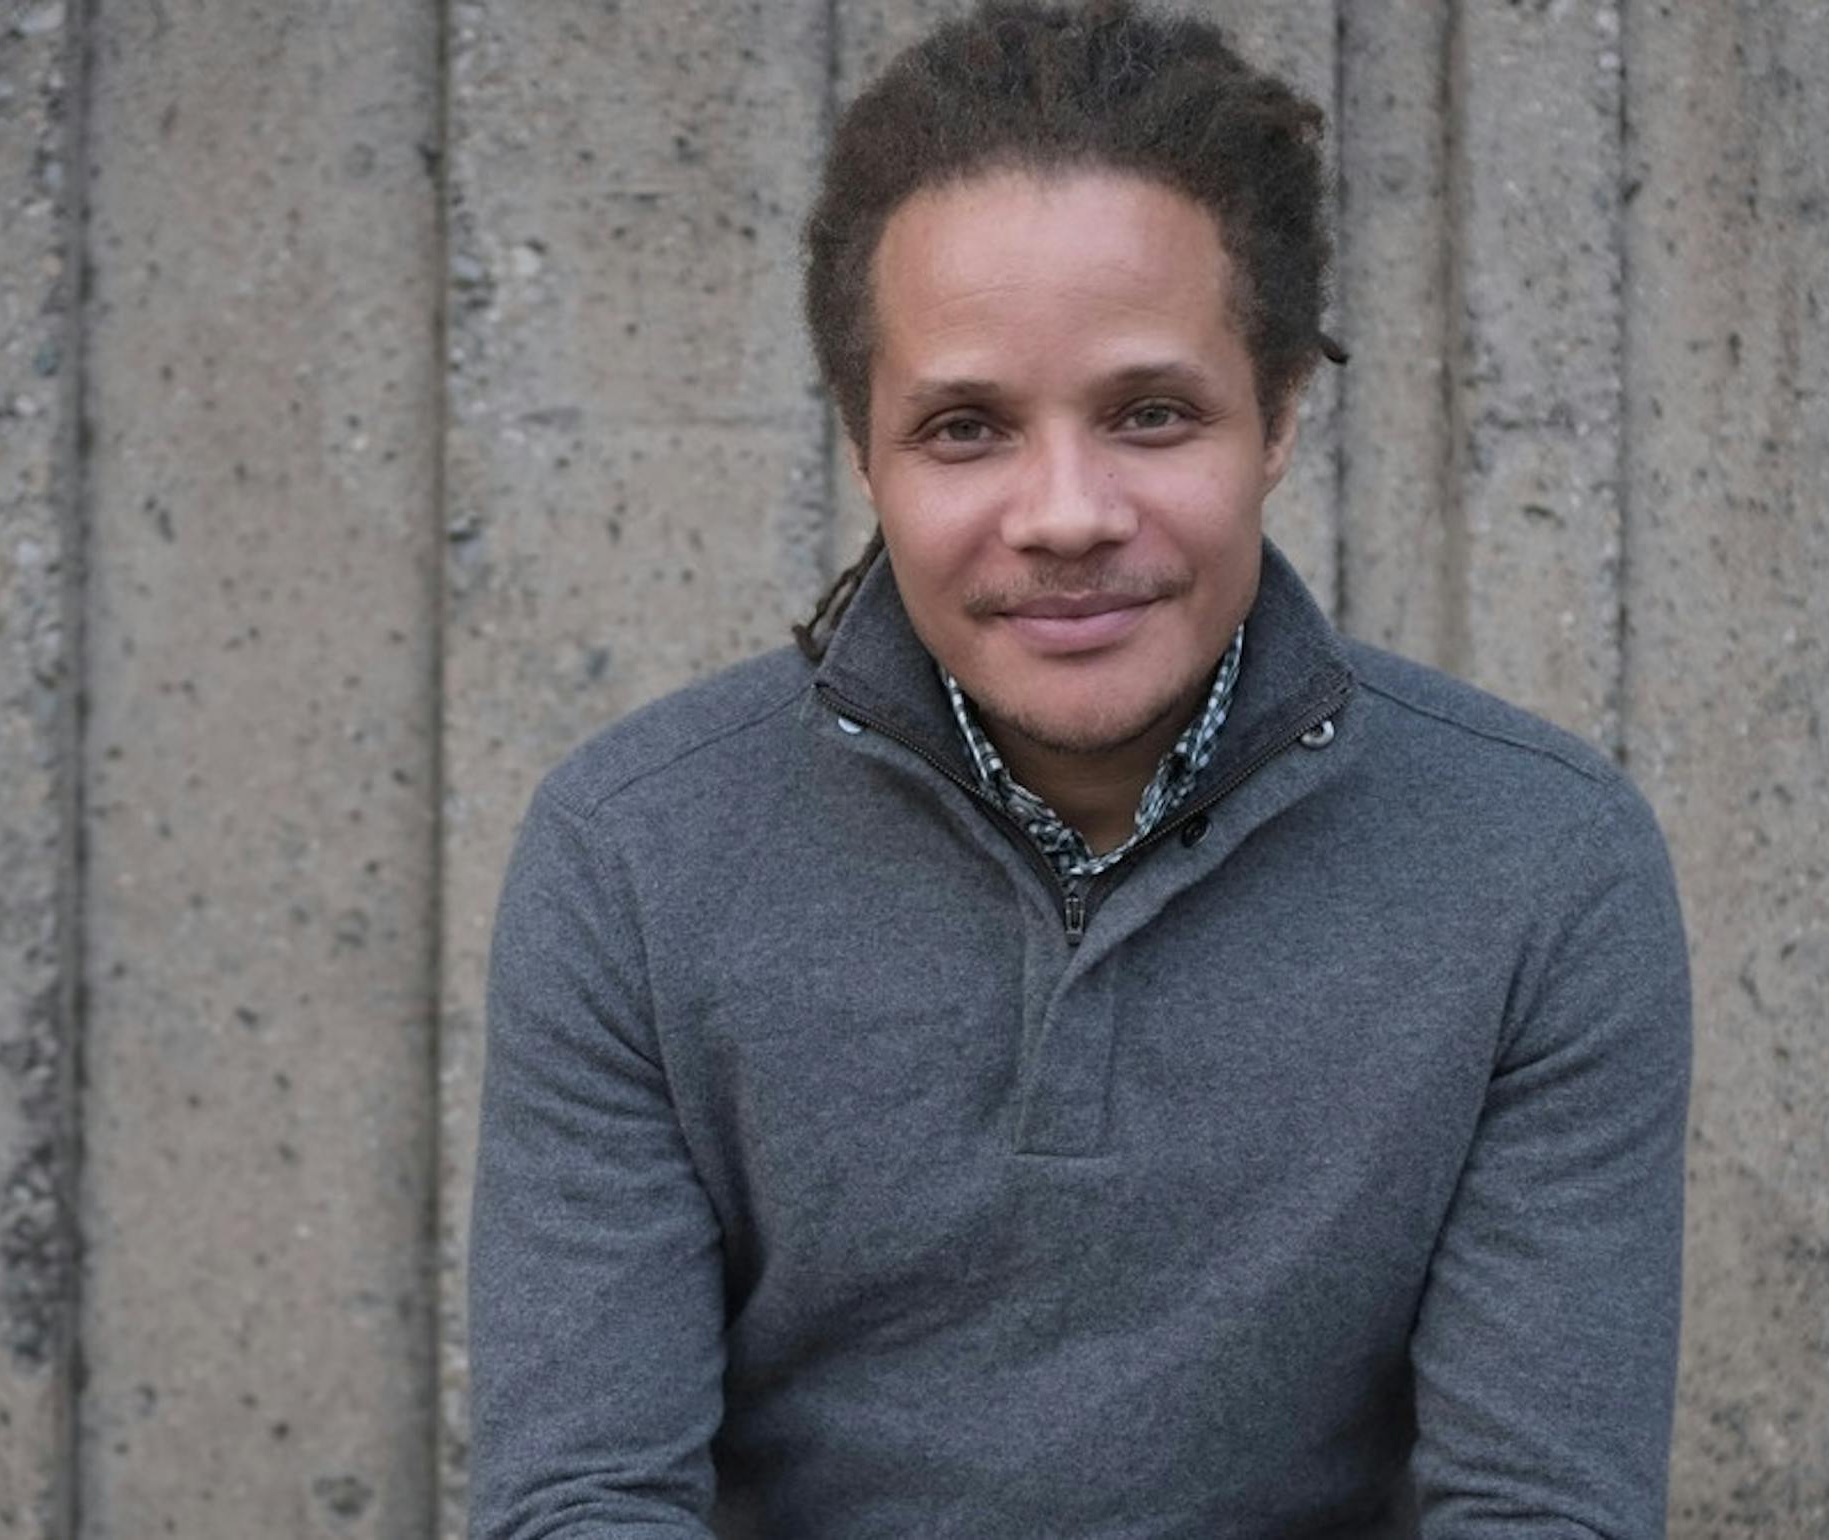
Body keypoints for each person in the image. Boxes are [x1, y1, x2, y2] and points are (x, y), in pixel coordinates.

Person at [467, 2, 1691, 1536]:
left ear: (1279, 416)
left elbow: (1542, 1513)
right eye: (965, 427)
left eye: (1150, 414)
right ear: (863, 447)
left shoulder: (1543, 866)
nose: (1065, 514)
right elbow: (583, 1501)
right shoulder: (633, 854)